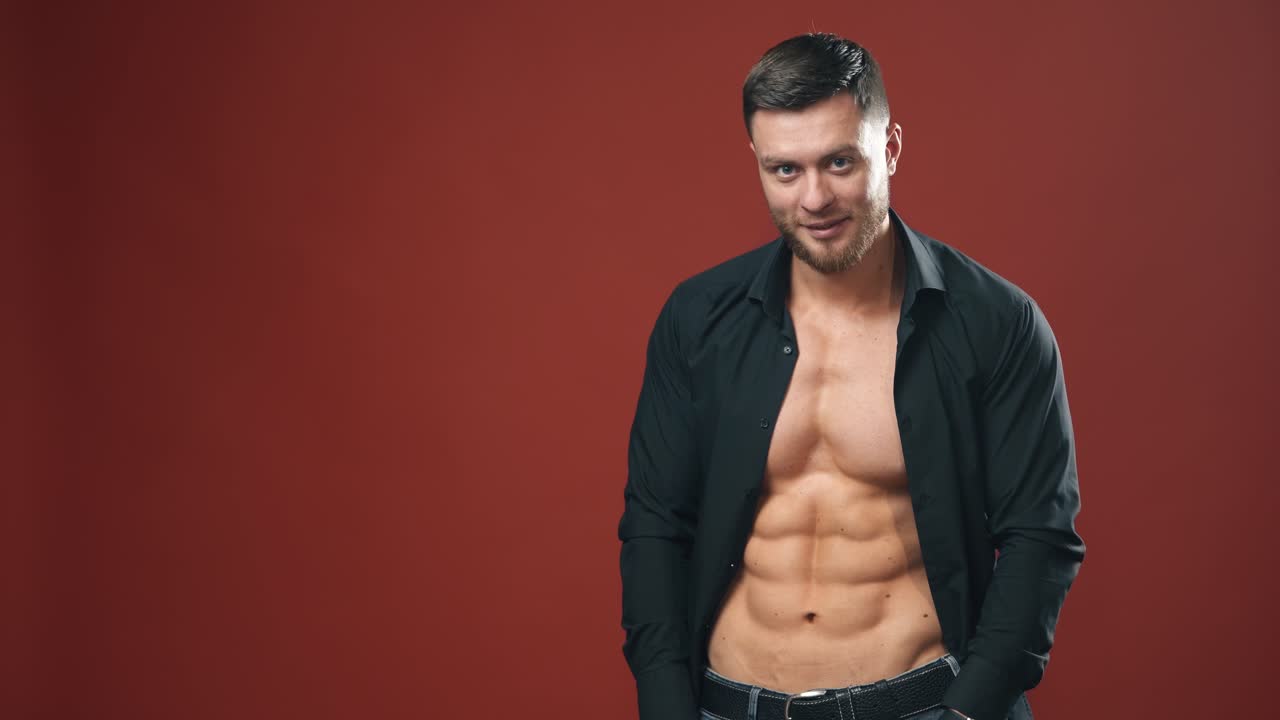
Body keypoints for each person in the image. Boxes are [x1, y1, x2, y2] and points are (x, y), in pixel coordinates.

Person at [617, 32, 1084, 720]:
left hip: (921, 705)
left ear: (889, 146)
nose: (814, 198)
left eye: (839, 162)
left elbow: (1039, 537)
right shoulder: (698, 318)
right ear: (757, 162)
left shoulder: (995, 323)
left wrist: (968, 712)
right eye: (785, 170)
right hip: (729, 703)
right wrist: (664, 704)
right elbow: (656, 524)